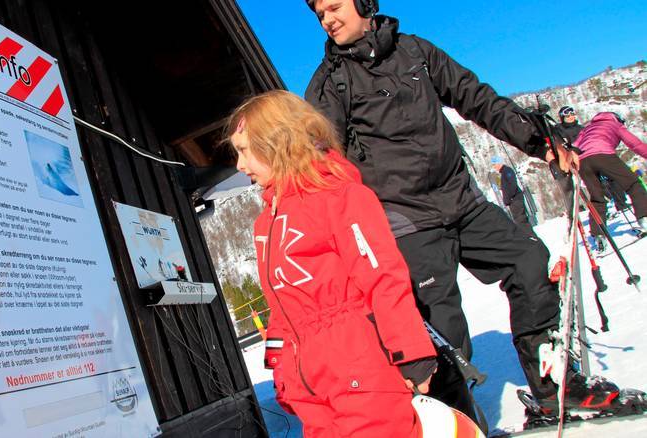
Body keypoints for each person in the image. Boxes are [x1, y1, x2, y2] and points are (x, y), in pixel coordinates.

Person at [303, 0, 622, 420]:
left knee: (528, 261)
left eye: (334, 7)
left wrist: (540, 142)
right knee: (441, 334)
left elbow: (478, 98)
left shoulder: (416, 51)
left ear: (365, 3)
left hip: (462, 200)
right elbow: (322, 165)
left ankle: (552, 388)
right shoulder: (329, 83)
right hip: (404, 221)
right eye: (320, 15)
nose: (328, 20)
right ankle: (459, 426)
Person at [227, 90, 437, 437]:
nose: (239, 165)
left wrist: (412, 352)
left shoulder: (339, 196)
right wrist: (280, 368)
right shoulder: (267, 223)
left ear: (277, 142)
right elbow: (280, 307)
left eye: (244, 150)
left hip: (360, 373)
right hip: (310, 389)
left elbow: (383, 277)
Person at [575, 112, 647, 249]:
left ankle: (599, 236)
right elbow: (635, 144)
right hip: (603, 155)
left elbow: (574, 146)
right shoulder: (615, 124)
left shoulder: (587, 128)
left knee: (597, 199)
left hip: (582, 162)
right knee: (633, 184)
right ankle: (645, 219)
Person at [492, 156, 535, 235]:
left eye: (494, 164)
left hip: (515, 200)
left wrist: (510, 198)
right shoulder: (503, 173)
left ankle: (531, 237)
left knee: (521, 220)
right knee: (519, 221)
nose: (494, 167)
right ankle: (528, 237)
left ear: (499, 163)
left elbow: (513, 184)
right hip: (513, 201)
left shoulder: (507, 171)